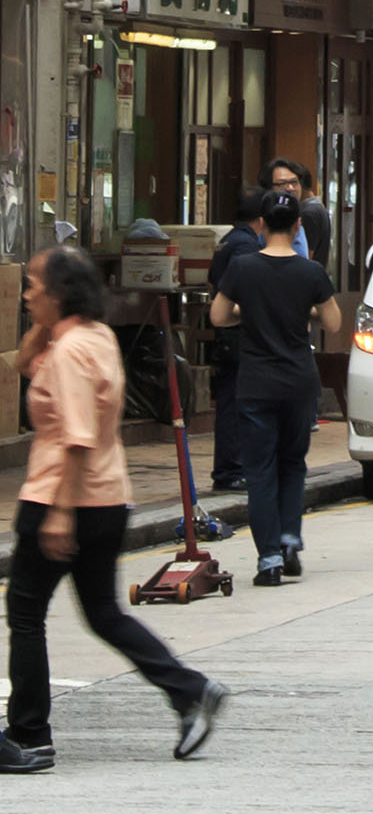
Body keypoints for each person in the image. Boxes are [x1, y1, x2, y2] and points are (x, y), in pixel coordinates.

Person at [1, 247, 227, 770]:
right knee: (103, 612)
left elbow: (77, 437)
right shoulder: (95, 338)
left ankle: (30, 733)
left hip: (63, 496)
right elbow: (23, 364)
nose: (28, 293)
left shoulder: (70, 352)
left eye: (35, 286)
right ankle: (189, 690)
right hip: (108, 497)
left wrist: (59, 515)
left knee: (26, 612)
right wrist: (42, 322)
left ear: (60, 294)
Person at [210, 189, 339, 586]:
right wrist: (305, 310)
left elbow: (218, 316)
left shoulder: (244, 268)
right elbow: (332, 323)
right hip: (299, 382)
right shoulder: (311, 272)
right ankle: (289, 537)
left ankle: (268, 558)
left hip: (256, 385)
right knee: (292, 464)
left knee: (260, 470)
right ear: (298, 225)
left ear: (262, 225)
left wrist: (245, 313)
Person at [206, 187, 264, 491]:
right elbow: (242, 289)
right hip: (238, 335)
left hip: (229, 336)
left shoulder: (229, 240)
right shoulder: (245, 247)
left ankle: (232, 468)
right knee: (236, 404)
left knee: (232, 402)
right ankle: (231, 470)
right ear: (262, 218)